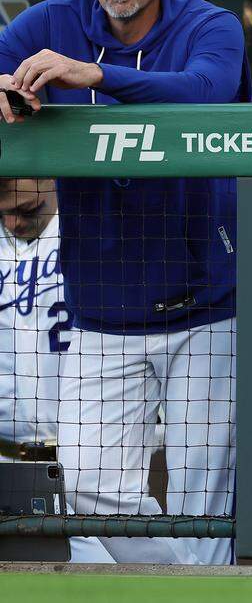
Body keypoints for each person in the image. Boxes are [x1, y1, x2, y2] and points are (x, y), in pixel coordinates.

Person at [0, 0, 252, 564]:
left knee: (206, 508)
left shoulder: (210, 24)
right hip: (102, 305)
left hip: (208, 304)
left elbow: (210, 88)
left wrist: (97, 75)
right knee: (89, 492)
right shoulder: (52, 21)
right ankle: (179, 589)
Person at [0, 178, 116, 563]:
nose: (14, 223)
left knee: (110, 569)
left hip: (82, 460)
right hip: (4, 458)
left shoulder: (89, 229)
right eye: (4, 213)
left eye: (26, 209)